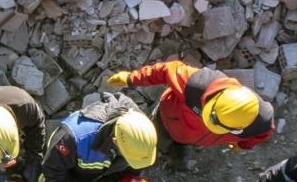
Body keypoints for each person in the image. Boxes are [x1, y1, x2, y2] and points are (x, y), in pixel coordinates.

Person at [107, 61, 274, 152]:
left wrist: (244, 145)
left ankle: (178, 148)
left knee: (180, 146)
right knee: (156, 136)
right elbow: (164, 71)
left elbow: (261, 135)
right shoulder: (197, 84)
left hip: (194, 139)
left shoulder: (261, 123)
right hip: (167, 121)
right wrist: (131, 78)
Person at [42, 92, 157, 182]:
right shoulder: (76, 137)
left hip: (95, 171)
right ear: (115, 140)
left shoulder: (139, 132)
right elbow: (53, 170)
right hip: (64, 167)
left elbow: (130, 171)